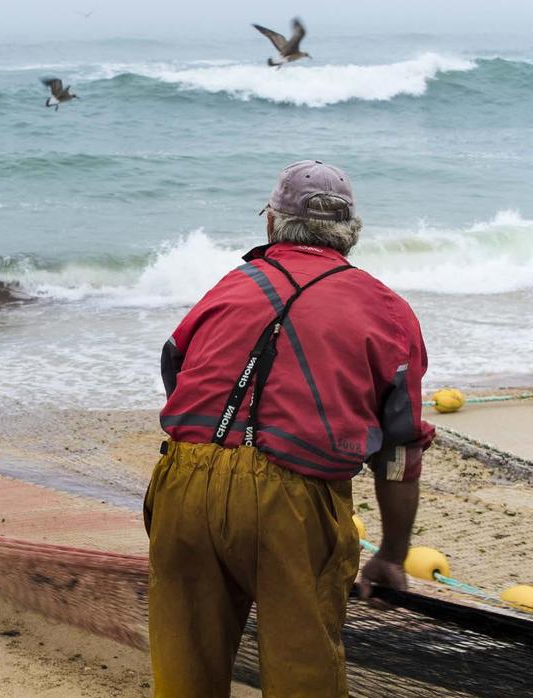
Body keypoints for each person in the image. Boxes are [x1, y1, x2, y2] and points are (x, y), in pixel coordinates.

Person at [144, 161, 435, 697]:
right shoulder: (388, 311)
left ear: (272, 225)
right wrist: (392, 554)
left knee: (184, 674)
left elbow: (176, 369)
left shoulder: (228, 287)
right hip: (293, 499)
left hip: (183, 482)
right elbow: (399, 452)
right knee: (305, 677)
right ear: (352, 234)